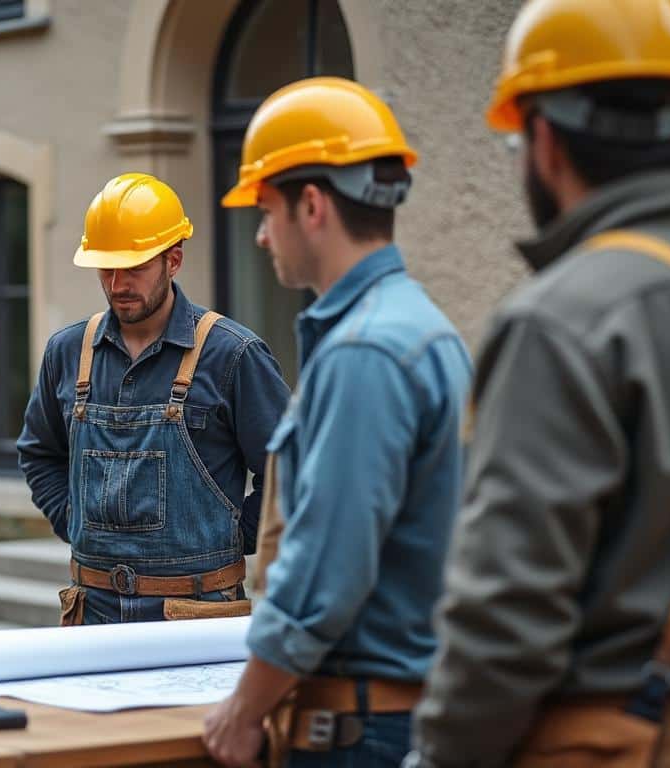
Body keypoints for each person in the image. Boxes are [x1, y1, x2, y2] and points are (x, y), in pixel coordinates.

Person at [409, 1, 670, 765]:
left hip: (625, 736)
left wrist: (441, 752)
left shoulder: (561, 319)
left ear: (544, 140)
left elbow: (506, 616)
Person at [200, 77, 472, 767]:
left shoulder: (364, 352)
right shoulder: (423, 330)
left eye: (266, 210)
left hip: (360, 727)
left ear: (312, 205)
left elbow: (326, 573)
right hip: (396, 712)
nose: (260, 235)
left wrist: (247, 705)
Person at [17, 172, 288, 626]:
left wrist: (232, 536)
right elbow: (38, 453)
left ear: (174, 260)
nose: (119, 283)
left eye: (135, 267)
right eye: (107, 267)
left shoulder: (232, 354)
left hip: (196, 611)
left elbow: (290, 470)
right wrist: (72, 520)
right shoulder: (68, 352)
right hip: (92, 609)